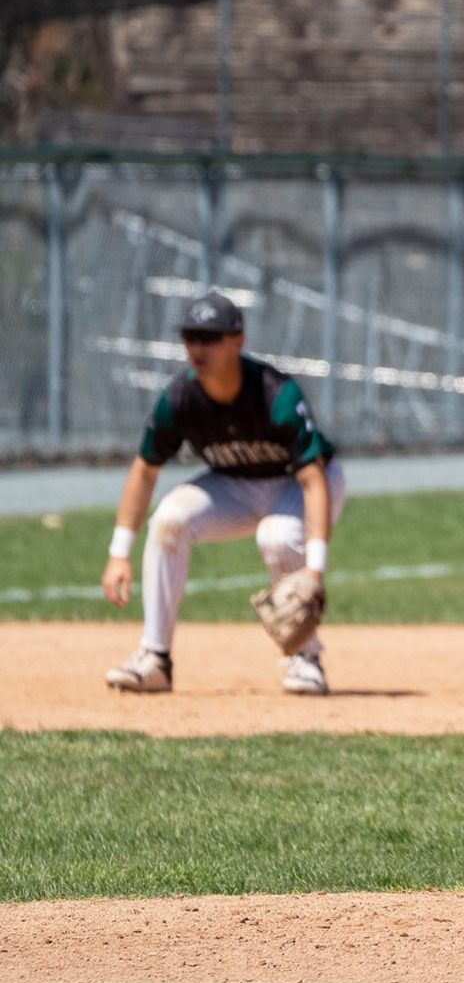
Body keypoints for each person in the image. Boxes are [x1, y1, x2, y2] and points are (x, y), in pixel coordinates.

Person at [100, 291, 345, 696]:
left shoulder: (274, 394)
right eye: (191, 338)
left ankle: (306, 660)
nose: (198, 347)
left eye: (210, 338)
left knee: (278, 535)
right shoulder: (180, 399)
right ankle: (155, 658)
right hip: (236, 485)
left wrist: (314, 572)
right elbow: (145, 469)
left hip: (305, 481)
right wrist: (118, 552)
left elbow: (313, 480)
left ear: (238, 340)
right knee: (170, 518)